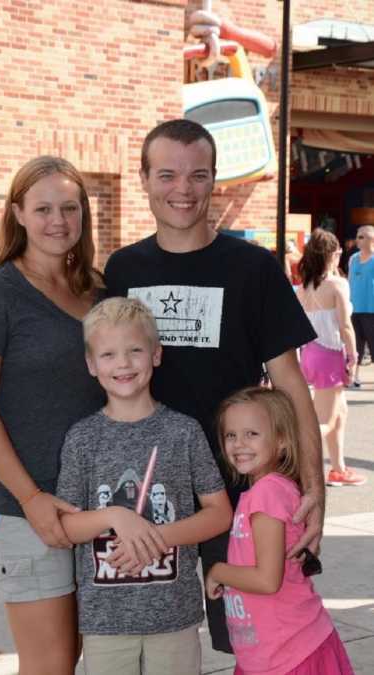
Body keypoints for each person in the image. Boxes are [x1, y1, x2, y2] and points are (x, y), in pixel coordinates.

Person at [104, 118, 325, 652]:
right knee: (156, 646)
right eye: (167, 175)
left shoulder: (253, 268)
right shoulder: (122, 268)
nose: (183, 190)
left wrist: (313, 486)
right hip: (148, 492)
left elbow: (290, 380)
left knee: (261, 641)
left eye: (198, 175)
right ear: (144, 179)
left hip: (243, 490)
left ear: (214, 180)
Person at [0, 156, 105, 675]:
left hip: (93, 505)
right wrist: (32, 498)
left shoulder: (96, 290)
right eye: (43, 208)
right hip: (22, 506)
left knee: (78, 653)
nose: (57, 220)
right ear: (17, 212)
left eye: (69, 207)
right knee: (50, 663)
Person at [56, 296, 232, 675]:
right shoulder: (82, 438)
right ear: (91, 364)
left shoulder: (183, 431)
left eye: (135, 350)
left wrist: (158, 537)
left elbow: (219, 514)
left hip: (174, 614)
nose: (123, 363)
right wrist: (117, 516)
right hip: (105, 621)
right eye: (108, 354)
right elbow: (67, 526)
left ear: (156, 354)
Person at [206, 386, 354, 675]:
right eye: (231, 435)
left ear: (283, 440)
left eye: (252, 434)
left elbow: (266, 579)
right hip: (271, 652)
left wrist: (217, 571)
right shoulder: (264, 491)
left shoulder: (267, 493)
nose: (239, 444)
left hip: (291, 654)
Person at [297, 229, 366, 487]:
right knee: (325, 420)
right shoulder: (337, 284)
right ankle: (298, 464)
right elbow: (345, 326)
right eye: (337, 252)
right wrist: (353, 355)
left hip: (311, 353)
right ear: (330, 254)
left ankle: (338, 468)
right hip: (330, 355)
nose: (339, 256)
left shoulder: (304, 286)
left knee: (340, 413)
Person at [348, 225, 374, 385]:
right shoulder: (353, 259)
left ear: (371, 239)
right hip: (354, 309)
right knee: (356, 344)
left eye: (361, 237)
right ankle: (354, 376)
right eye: (357, 236)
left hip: (371, 309)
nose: (357, 240)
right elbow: (350, 281)